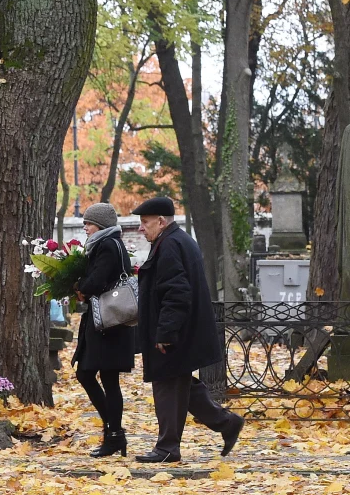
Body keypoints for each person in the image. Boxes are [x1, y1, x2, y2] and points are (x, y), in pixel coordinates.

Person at [131, 196, 244, 463]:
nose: (140, 228)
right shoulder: (176, 240)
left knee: (168, 385)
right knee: (181, 385)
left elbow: (176, 292)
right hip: (183, 331)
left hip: (175, 333)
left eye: (145, 222)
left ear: (161, 221)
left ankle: (167, 448)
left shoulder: (169, 245)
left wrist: (165, 333)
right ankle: (227, 423)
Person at [72, 202, 137, 458]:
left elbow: (97, 281)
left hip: (108, 325)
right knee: (99, 377)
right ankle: (113, 433)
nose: (85, 227)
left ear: (100, 224)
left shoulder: (108, 245)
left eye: (88, 223)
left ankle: (114, 434)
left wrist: (80, 286)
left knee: (97, 377)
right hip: (109, 323)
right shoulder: (108, 244)